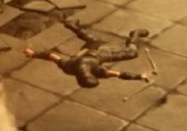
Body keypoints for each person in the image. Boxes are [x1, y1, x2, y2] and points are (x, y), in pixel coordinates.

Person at [22, 19, 154, 88]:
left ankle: (135, 34)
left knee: (131, 53)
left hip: (98, 53)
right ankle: (72, 25)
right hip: (92, 52)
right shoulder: (69, 67)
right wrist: (33, 54)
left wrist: (140, 76)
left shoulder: (70, 67)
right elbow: (51, 56)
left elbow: (118, 74)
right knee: (94, 41)